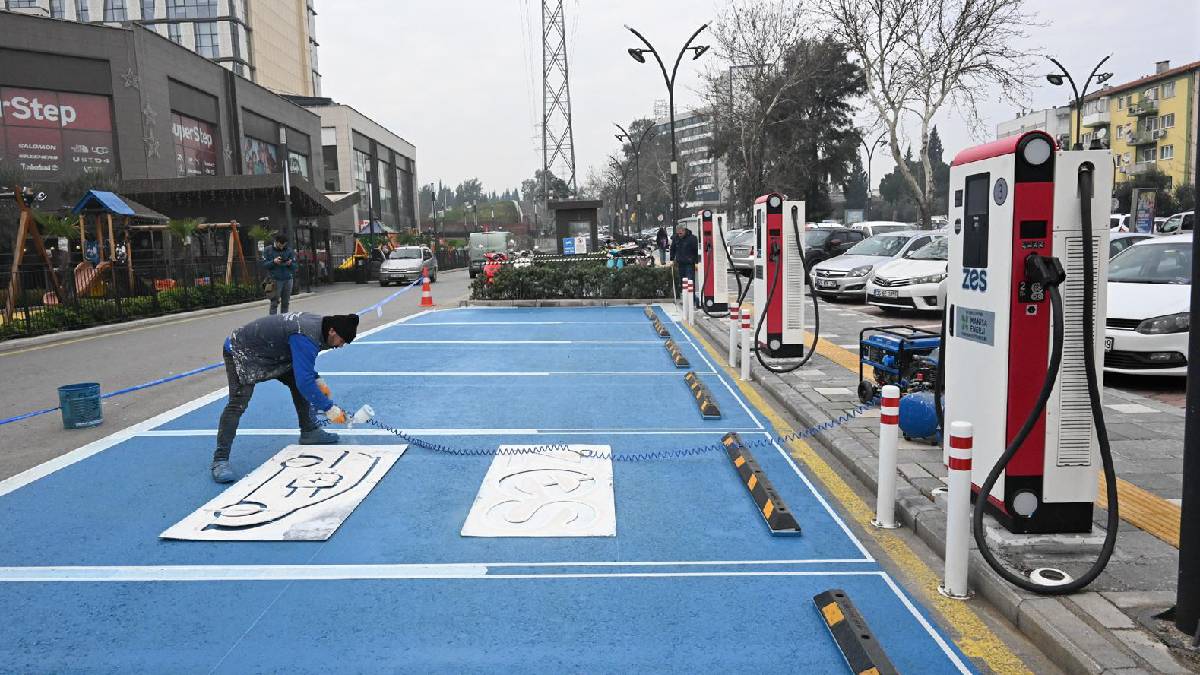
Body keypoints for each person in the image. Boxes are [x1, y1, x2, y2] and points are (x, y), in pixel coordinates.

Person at [211, 312, 360, 483]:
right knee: (238, 403)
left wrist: (317, 379)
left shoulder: (320, 328)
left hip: (273, 353)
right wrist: (329, 408)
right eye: (342, 341)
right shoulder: (306, 335)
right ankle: (220, 460)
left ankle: (309, 431)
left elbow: (303, 363)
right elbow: (304, 381)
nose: (340, 346)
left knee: (299, 383)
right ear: (332, 331)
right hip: (242, 351)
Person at [263, 233, 297, 315]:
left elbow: (295, 266)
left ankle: (283, 320)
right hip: (275, 280)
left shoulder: (289, 250)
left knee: (286, 303)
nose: (282, 247)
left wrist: (290, 264)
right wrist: (273, 262)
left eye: (284, 245)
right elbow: (264, 265)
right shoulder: (268, 250)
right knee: (274, 303)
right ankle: (273, 320)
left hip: (288, 279)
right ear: (276, 242)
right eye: (280, 245)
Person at [670, 223, 699, 302]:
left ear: (684, 231)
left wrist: (696, 262)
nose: (679, 235)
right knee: (683, 282)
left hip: (689, 263)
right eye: (678, 233)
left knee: (690, 281)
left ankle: (692, 299)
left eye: (680, 233)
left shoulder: (692, 238)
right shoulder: (676, 238)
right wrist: (671, 259)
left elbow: (696, 251)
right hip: (680, 263)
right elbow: (672, 249)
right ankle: (685, 298)